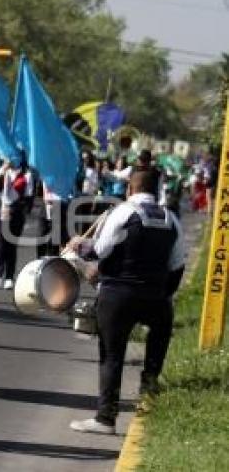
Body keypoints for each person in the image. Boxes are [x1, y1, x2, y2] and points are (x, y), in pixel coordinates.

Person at [68, 170, 185, 435]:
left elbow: (99, 250)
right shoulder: (172, 218)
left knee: (111, 356)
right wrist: (163, 295)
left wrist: (78, 245)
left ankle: (105, 418)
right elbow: (177, 265)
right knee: (157, 345)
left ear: (130, 189)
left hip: (118, 295)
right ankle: (150, 399)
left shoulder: (121, 212)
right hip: (156, 297)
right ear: (156, 190)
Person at [0, 154, 34, 289]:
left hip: (15, 214)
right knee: (1, 243)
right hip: (1, 212)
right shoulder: (1, 171)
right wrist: (3, 170)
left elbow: (28, 197)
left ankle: (9, 276)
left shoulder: (27, 175)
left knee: (11, 244)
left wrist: (16, 209)